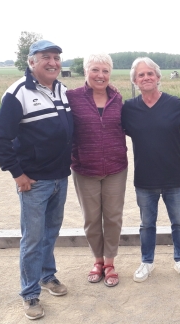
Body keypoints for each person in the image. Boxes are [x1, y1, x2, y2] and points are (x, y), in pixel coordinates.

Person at [0, 40, 72, 320]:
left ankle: (48, 277)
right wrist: (17, 173)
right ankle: (29, 294)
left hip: (61, 176)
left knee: (51, 232)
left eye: (57, 58)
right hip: (34, 181)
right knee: (33, 239)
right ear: (31, 62)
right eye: (46, 57)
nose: (53, 62)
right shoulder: (18, 93)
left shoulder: (61, 90)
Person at [121, 57, 180, 282]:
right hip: (145, 179)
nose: (146, 78)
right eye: (141, 75)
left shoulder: (174, 103)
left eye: (150, 74)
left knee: (179, 223)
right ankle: (146, 262)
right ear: (135, 81)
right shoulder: (129, 108)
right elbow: (115, 134)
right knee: (146, 225)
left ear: (158, 77)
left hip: (174, 177)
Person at [67, 54, 127, 287]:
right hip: (84, 168)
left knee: (113, 217)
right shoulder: (72, 97)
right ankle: (98, 261)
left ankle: (110, 262)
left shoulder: (118, 98)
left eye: (105, 71)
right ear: (85, 71)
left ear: (110, 73)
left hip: (115, 167)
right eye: (95, 70)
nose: (100, 75)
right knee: (91, 219)